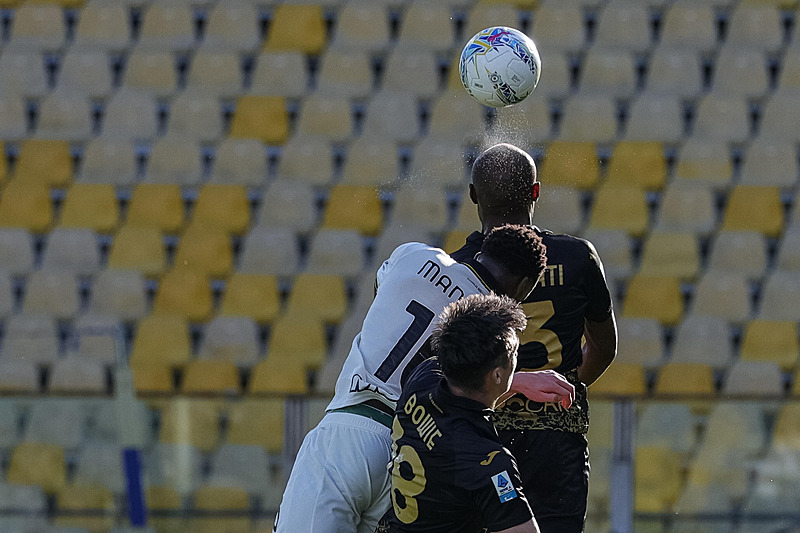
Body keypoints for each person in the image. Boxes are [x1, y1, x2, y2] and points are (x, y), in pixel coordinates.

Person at [274, 224, 575, 533]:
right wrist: (519, 381)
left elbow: (383, 292)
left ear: (482, 253)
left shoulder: (414, 254)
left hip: (348, 432)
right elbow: (467, 387)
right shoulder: (491, 330)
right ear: (525, 285)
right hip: (412, 451)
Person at [450, 143, 618, 533]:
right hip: (557, 441)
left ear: (473, 195)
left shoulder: (456, 268)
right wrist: (563, 389)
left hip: (482, 434)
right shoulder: (579, 257)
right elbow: (604, 347)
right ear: (536, 192)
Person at [376, 293, 541, 533]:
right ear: (496, 375)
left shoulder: (422, 378)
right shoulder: (488, 462)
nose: (517, 359)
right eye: (514, 353)